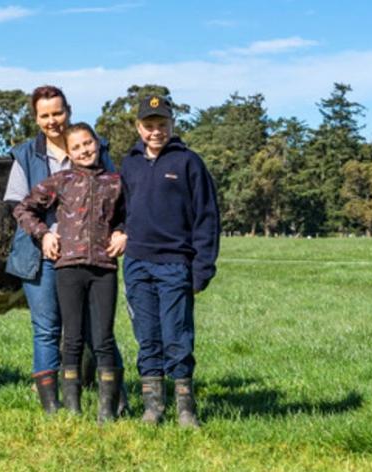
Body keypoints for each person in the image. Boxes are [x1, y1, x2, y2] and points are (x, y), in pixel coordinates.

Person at [4, 86, 126, 415]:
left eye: (57, 113)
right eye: (44, 115)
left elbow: (117, 198)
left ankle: (118, 399)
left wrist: (120, 230)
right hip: (41, 253)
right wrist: (43, 234)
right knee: (47, 328)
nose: (52, 121)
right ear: (36, 118)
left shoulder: (94, 147)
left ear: (68, 111)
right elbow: (17, 205)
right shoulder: (25, 155)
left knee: (98, 329)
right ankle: (53, 406)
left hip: (92, 255)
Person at [120, 95, 220, 427]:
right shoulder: (129, 164)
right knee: (147, 336)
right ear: (139, 127)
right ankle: (153, 407)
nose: (155, 131)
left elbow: (207, 218)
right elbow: (121, 210)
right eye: (149, 125)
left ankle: (185, 409)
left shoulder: (189, 162)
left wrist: (202, 269)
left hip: (175, 264)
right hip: (137, 263)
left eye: (161, 124)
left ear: (172, 125)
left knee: (177, 336)